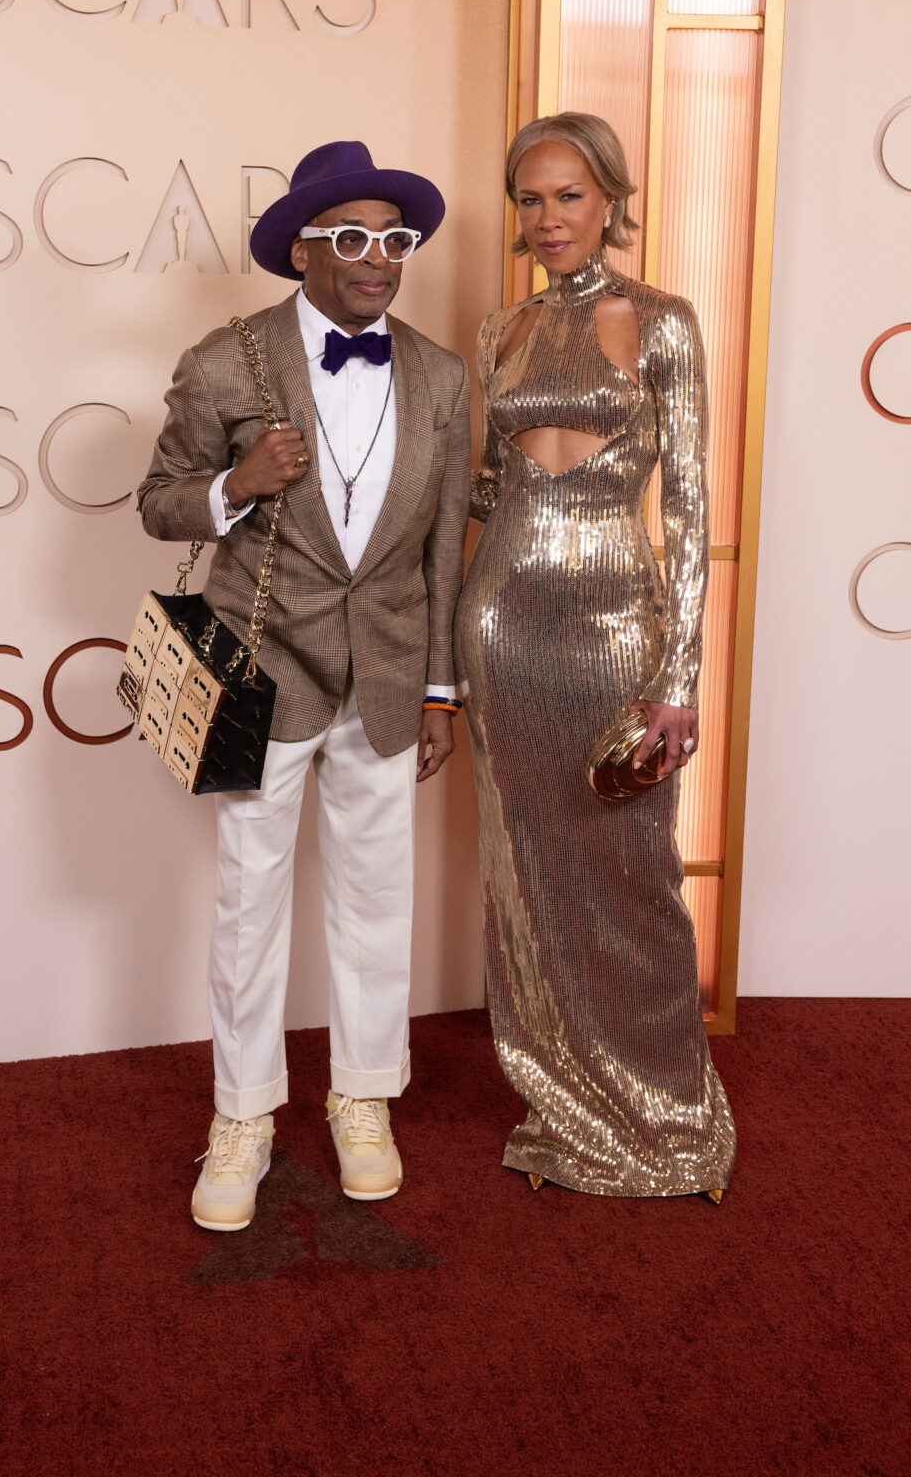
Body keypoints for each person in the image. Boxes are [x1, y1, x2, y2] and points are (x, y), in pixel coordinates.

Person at [138, 142, 470, 1230]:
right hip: (262, 667)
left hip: (383, 678)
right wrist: (236, 483)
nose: (379, 260)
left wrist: (438, 689)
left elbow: (437, 560)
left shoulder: (439, 374)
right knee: (247, 904)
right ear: (303, 249)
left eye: (395, 240)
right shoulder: (227, 362)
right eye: (354, 239)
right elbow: (159, 503)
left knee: (378, 903)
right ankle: (242, 1114)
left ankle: (362, 1098)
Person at [454, 113, 735, 1200]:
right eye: (529, 200)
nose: (546, 219)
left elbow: (694, 507)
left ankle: (663, 1108)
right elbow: (484, 490)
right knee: (522, 871)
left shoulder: (661, 321)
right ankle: (562, 1093)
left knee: (631, 874)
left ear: (611, 201)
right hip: (503, 626)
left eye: (567, 196)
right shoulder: (499, 331)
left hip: (619, 627)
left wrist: (678, 679)